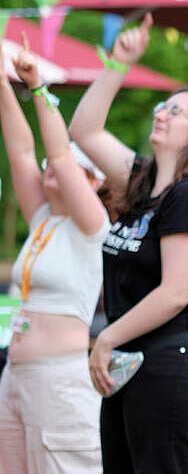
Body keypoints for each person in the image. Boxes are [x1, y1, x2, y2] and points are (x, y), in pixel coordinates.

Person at [68, 13, 188, 472]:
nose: (161, 113)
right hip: (128, 365)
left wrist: (107, 338)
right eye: (162, 107)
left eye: (175, 111)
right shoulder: (143, 184)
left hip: (168, 365)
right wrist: (118, 65)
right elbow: (83, 132)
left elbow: (176, 292)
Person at [0, 40, 109, 473]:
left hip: (59, 379)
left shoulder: (91, 226)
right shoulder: (44, 218)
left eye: (70, 170)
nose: (53, 167)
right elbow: (22, 151)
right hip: (16, 374)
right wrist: (3, 85)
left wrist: (37, 86)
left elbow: (59, 153)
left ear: (94, 182)